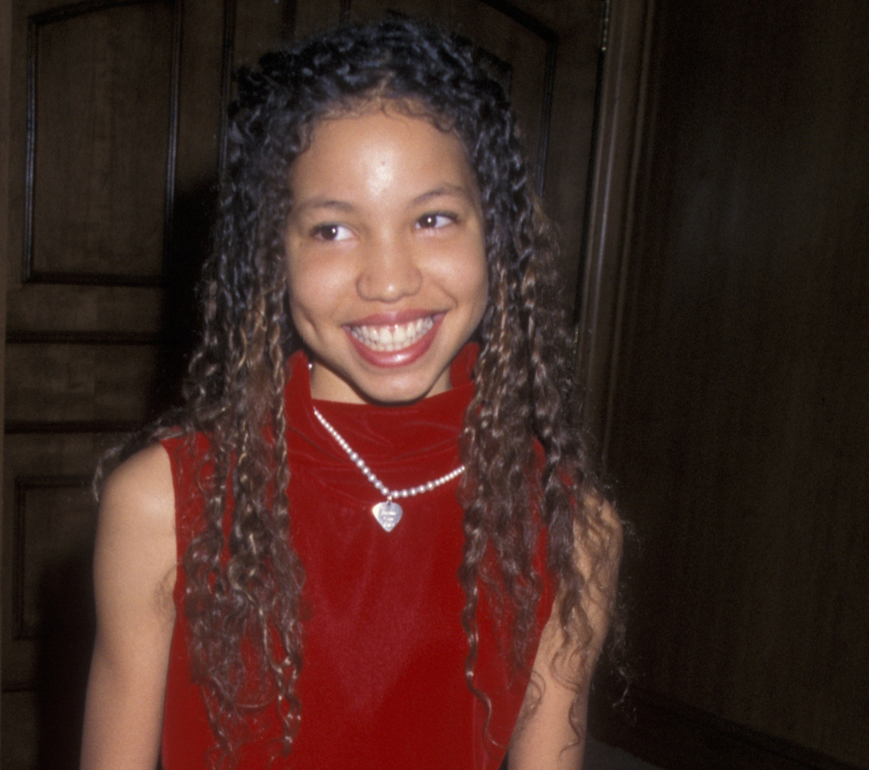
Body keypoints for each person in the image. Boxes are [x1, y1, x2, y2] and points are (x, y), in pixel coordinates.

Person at [81, 18, 622, 770]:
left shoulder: (571, 526)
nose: (390, 279)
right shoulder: (165, 503)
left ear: (495, 234)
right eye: (333, 230)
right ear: (273, 253)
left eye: (433, 219)